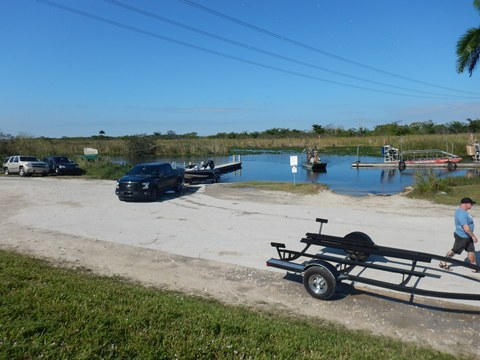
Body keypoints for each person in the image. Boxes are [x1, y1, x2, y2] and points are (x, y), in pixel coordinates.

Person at [440, 197, 478, 272]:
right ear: (466, 204)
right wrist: (473, 236)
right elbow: (466, 228)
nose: (472, 205)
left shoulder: (463, 211)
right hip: (462, 237)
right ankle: (443, 263)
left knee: (471, 251)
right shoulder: (462, 214)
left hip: (467, 236)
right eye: (471, 204)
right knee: (454, 251)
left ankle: (474, 267)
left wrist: (471, 236)